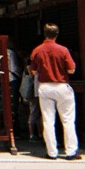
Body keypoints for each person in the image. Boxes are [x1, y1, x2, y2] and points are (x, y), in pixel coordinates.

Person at [29, 23, 79, 160]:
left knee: (47, 120)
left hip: (45, 87)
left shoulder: (37, 50)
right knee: (68, 119)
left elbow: (33, 71)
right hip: (61, 85)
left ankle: (52, 152)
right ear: (57, 34)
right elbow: (71, 69)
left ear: (44, 34)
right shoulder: (63, 50)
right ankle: (70, 151)